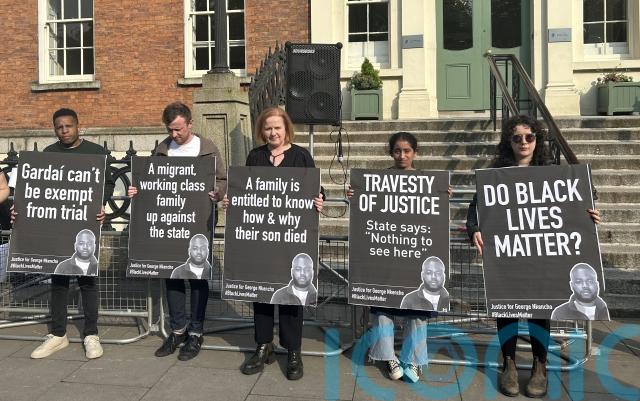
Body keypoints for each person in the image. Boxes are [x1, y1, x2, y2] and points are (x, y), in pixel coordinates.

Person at [465, 114, 602, 398]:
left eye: (529, 137)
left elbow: (575, 204)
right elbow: (475, 208)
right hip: (508, 257)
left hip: (541, 258)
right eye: (517, 138)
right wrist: (474, 229)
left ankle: (540, 366)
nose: (524, 142)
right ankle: (509, 364)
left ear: (537, 140)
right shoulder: (496, 175)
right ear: (509, 142)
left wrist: (589, 216)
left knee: (541, 310)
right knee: (507, 310)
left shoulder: (551, 173)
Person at [225, 106, 323, 381]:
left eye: (277, 127)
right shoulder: (255, 156)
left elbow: (315, 188)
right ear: (262, 131)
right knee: (262, 293)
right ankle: (263, 345)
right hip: (261, 240)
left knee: (292, 296)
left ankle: (293, 351)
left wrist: (319, 199)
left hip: (291, 239)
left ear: (286, 129)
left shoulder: (301, 156)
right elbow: (245, 190)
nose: (273, 133)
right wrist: (234, 200)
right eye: (268, 128)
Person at [347, 132, 452, 383]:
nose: (402, 155)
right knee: (382, 307)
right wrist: (355, 196)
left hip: (415, 254)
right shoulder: (378, 180)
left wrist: (443, 196)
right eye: (397, 151)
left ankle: (413, 359)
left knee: (418, 310)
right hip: (386, 254)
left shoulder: (428, 182)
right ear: (391, 153)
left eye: (407, 151)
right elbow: (367, 214)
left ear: (415, 152)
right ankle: (388, 357)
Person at [128, 101, 226, 361]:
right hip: (168, 222)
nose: (174, 134)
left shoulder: (207, 148)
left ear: (190, 124)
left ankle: (196, 332)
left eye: (178, 129)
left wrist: (218, 192)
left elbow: (222, 179)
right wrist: (138, 190)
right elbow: (150, 180)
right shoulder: (162, 150)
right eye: (170, 130)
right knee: (172, 275)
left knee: (198, 277)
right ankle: (178, 330)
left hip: (198, 222)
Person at [27, 108, 114, 360]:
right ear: (55, 129)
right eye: (59, 127)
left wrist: (101, 204)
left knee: (87, 281)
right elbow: (38, 188)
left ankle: (91, 333)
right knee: (58, 280)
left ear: (78, 126)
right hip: (58, 225)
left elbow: (108, 183)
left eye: (68, 126)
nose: (64, 131)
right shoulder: (49, 154)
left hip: (85, 225)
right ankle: (58, 334)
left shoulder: (96, 153)